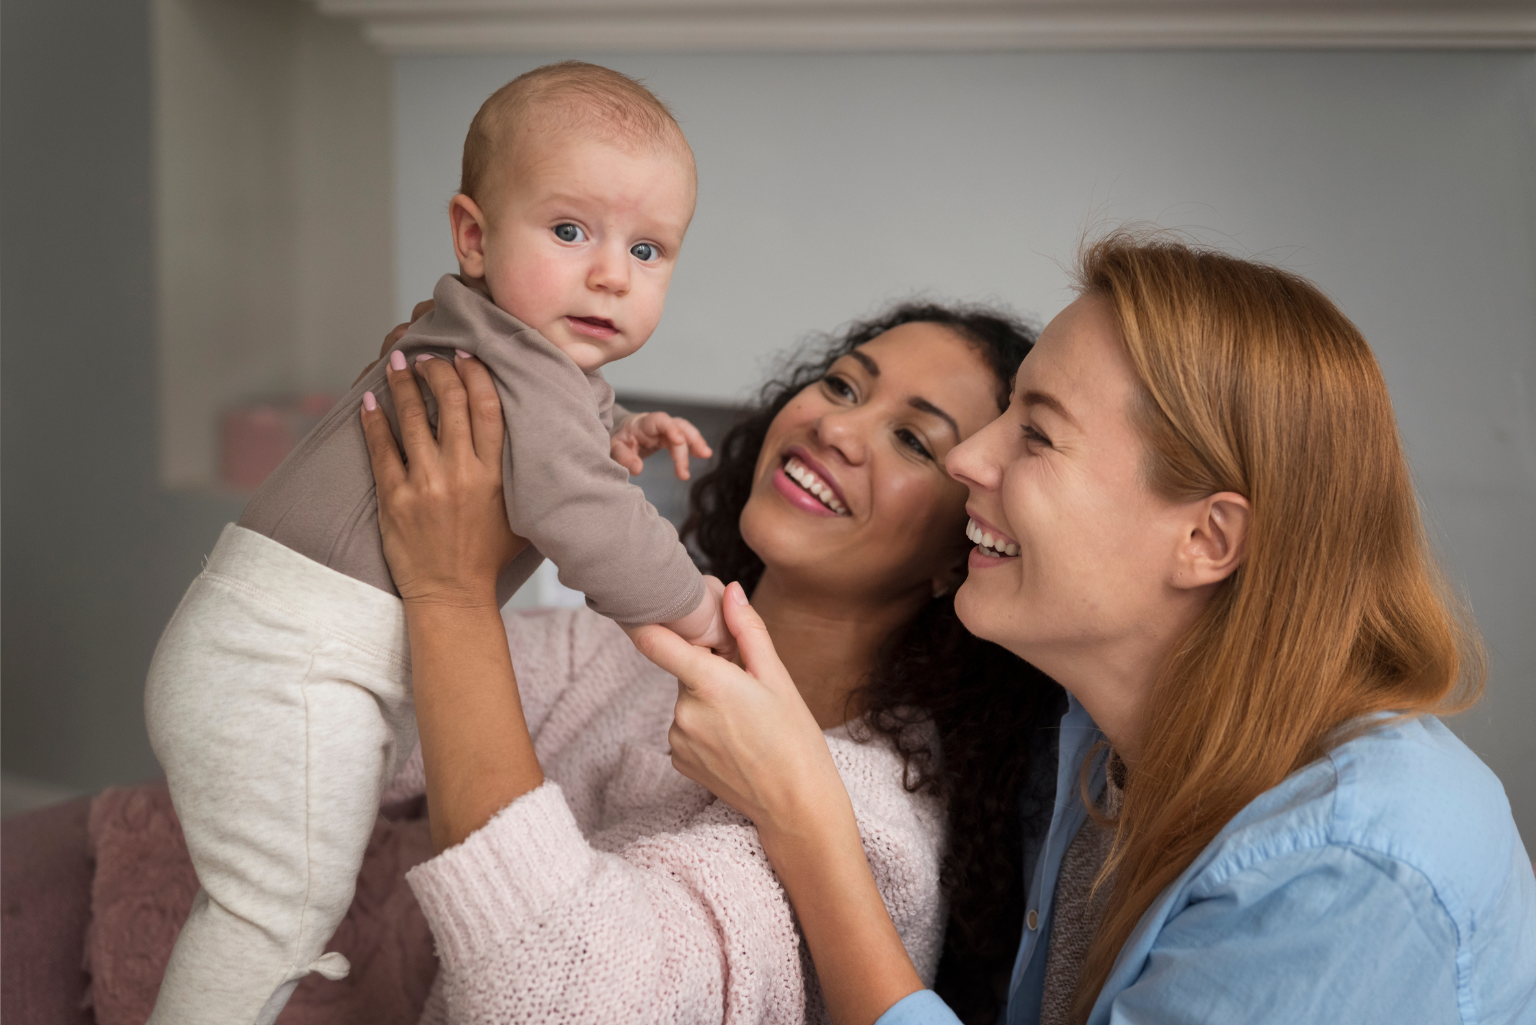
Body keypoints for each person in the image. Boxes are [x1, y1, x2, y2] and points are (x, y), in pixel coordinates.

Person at [638, 230, 1536, 1025]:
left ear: (1206, 537)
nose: (967, 460)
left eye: (1035, 436)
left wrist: (810, 828)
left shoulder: (1354, 870)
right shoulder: (1086, 739)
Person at [143, 61, 731, 1025]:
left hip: (271, 650)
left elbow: (552, 452)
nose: (611, 272)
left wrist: (612, 434)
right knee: (274, 914)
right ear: (473, 234)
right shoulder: (510, 364)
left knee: (273, 900)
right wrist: (696, 605)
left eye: (650, 248)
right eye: (571, 230)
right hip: (283, 664)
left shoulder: (496, 347)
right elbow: (588, 523)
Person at [359, 301, 1065, 1022]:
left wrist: (451, 592)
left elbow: (556, 995)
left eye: (913, 439)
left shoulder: (876, 824)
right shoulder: (621, 650)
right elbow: (354, 724)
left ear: (964, 549)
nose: (836, 427)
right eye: (843, 386)